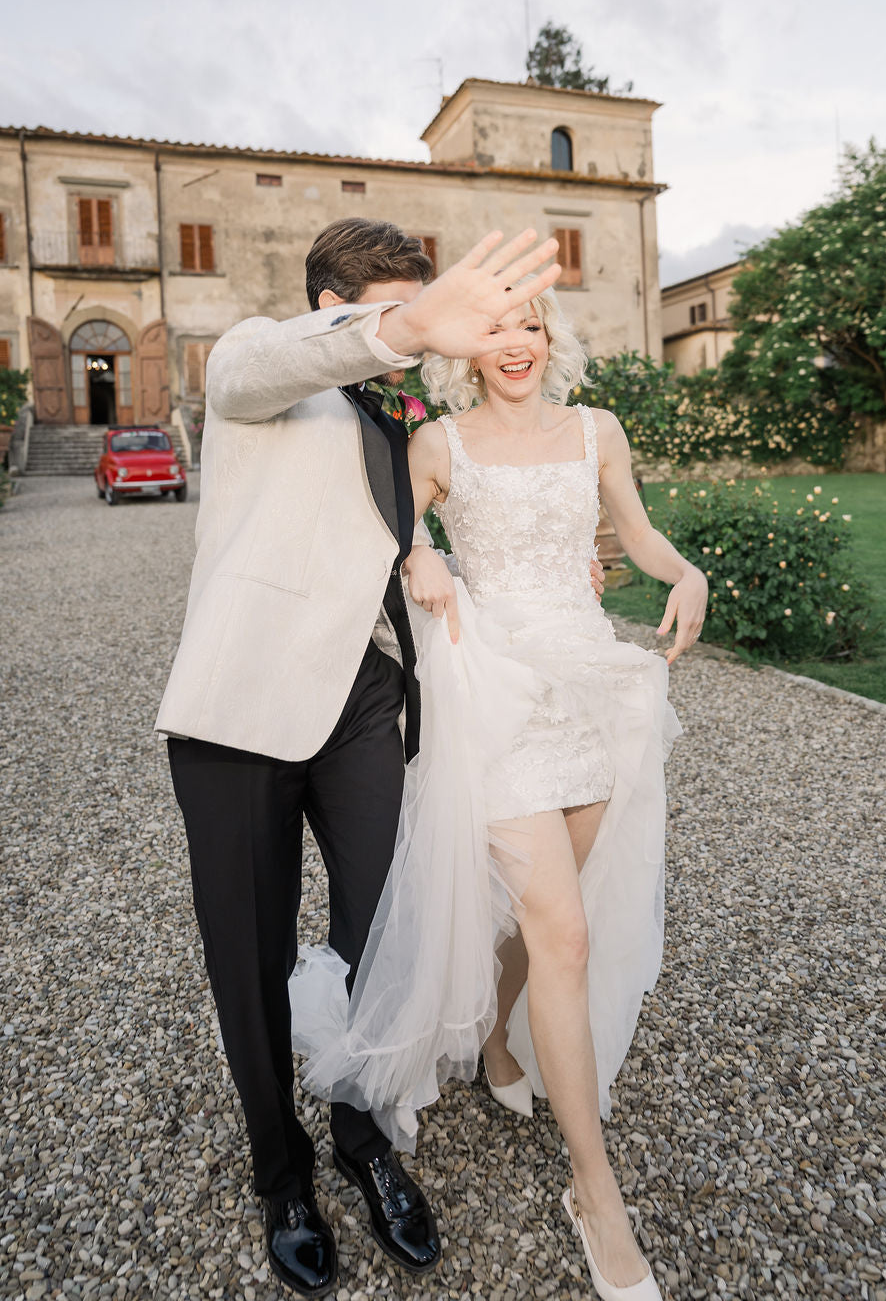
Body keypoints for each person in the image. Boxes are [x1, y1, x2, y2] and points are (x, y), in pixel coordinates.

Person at [156, 218, 563, 1297]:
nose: (421, 341)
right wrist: (399, 325)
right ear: (339, 303)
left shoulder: (407, 406)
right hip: (238, 706)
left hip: (366, 704)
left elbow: (413, 526)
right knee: (244, 954)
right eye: (394, 313)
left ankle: (359, 1137)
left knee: (380, 931)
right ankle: (278, 1170)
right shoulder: (265, 358)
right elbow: (271, 362)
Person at [289, 288, 709, 1301]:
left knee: (540, 917)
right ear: (471, 346)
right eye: (498, 329)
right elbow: (382, 529)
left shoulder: (594, 430)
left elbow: (636, 535)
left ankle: (493, 1032)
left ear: (550, 339)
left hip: (591, 688)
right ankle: (595, 1194)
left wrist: (683, 571)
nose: (515, 344)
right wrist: (423, 552)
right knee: (563, 929)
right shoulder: (437, 443)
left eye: (532, 326)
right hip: (497, 695)